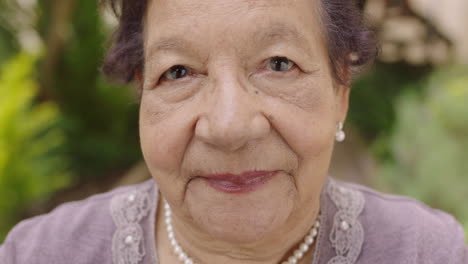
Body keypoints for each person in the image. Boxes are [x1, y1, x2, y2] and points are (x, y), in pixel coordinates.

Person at [1, 0, 467, 263]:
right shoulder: (42, 254)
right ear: (144, 95)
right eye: (179, 72)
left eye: (279, 64)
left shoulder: (426, 252)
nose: (228, 126)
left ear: (340, 90)